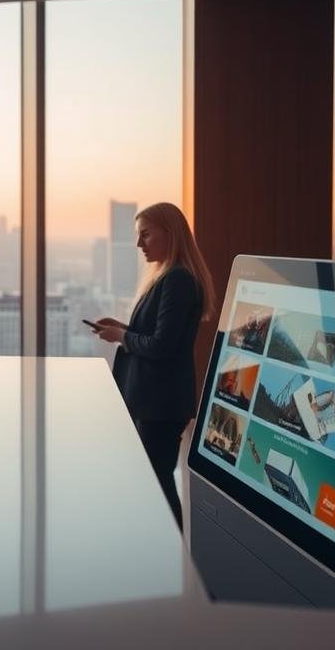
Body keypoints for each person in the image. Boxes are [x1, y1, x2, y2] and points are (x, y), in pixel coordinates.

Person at [91, 201, 215, 530]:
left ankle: (175, 555)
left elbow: (162, 346)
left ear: (169, 234)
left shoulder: (178, 280)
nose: (138, 244)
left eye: (145, 234)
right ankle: (169, 552)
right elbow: (158, 337)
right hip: (156, 401)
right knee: (155, 480)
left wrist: (121, 335)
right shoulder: (169, 277)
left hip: (160, 404)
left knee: (158, 483)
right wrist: (123, 328)